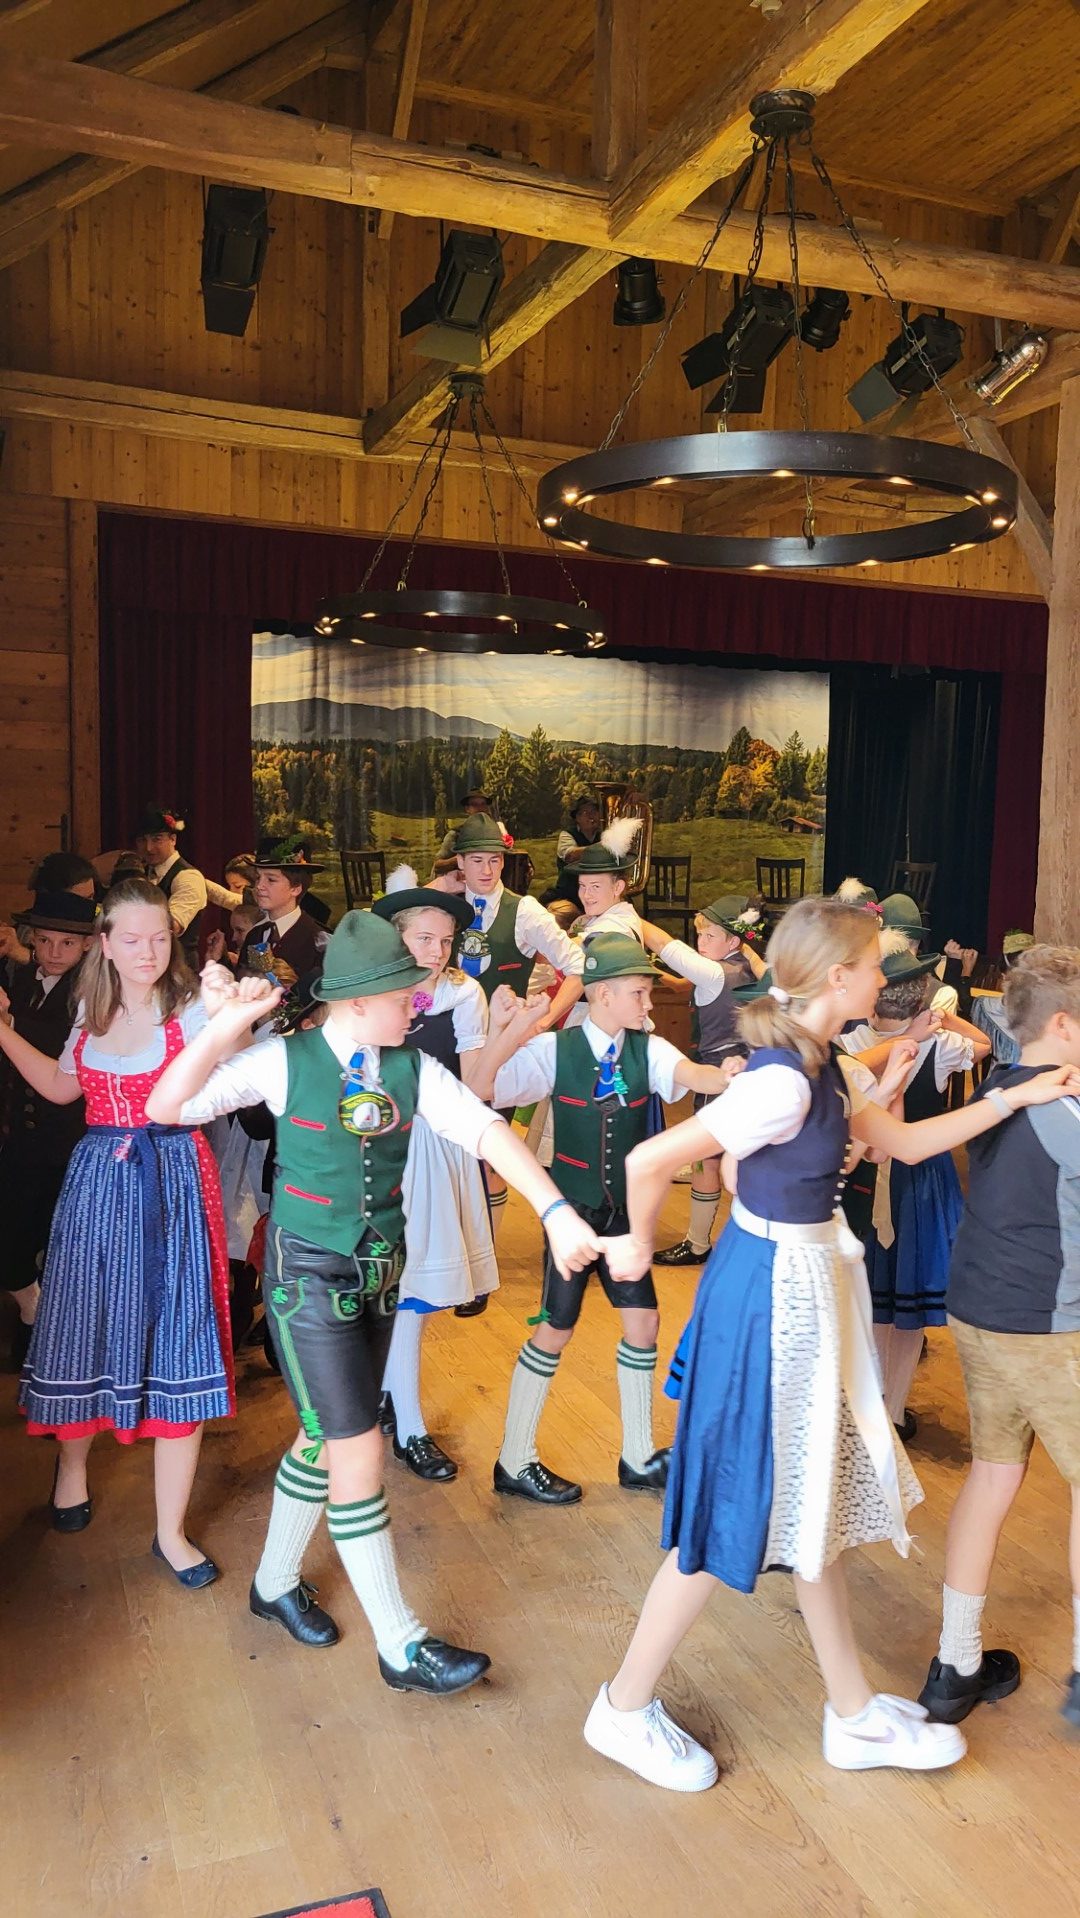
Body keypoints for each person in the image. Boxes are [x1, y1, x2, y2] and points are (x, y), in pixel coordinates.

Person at [579, 897, 1080, 1790]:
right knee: (731, 1508)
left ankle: (851, 1713)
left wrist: (1018, 1093)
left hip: (805, 1287)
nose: (885, 976)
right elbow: (649, 1161)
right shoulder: (782, 1081)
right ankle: (622, 1705)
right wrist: (634, 1248)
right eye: (875, 964)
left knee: (810, 1505)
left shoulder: (827, 1064)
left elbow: (910, 1143)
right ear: (840, 978)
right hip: (768, 1299)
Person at [145, 910, 605, 1697]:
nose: (416, 1004)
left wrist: (555, 1211)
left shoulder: (412, 1068)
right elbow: (167, 1106)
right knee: (357, 1447)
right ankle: (401, 1643)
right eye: (403, 995)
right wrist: (224, 1027)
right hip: (307, 1277)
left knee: (324, 1434)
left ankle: (274, 1583)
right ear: (357, 1002)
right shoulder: (282, 1061)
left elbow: (487, 1133)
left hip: (380, 1273)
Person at [0, 878, 235, 1581]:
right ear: (104, 944)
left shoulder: (195, 1007)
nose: (148, 951)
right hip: (98, 1181)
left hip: (174, 1181)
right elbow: (61, 1087)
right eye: (131, 939)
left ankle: (170, 1531)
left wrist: (236, 1012)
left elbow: (237, 1060)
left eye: (159, 938)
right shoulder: (90, 1008)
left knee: (179, 1334)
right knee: (81, 1321)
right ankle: (71, 1472)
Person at [472, 934, 740, 1506]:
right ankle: (513, 1458)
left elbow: (696, 1075)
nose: (648, 1003)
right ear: (602, 994)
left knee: (644, 1323)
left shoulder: (650, 1049)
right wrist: (511, 1032)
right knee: (555, 1327)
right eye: (639, 993)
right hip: (570, 1214)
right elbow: (484, 1087)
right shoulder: (555, 1051)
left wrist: (731, 1074)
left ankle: (638, 1457)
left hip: (624, 1218)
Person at [916, 946, 1080, 1730]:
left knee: (992, 1476)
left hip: (979, 1311)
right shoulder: (1063, 1109)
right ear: (1064, 1026)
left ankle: (956, 1666)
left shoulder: (996, 1087)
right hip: (1047, 1326)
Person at [371, 868, 494, 1482]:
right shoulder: (369, 991)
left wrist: (514, 1030)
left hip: (434, 1148)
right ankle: (393, 1410)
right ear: (397, 938)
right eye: (424, 938)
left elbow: (476, 1087)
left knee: (412, 1293)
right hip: (374, 1147)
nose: (437, 951)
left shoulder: (464, 995)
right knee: (386, 1290)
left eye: (445, 941)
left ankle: (404, 1419)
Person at [842, 946, 989, 1438]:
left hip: (862, 1172)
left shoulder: (853, 1041)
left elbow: (843, 1068)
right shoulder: (939, 1045)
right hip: (920, 1173)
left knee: (869, 1295)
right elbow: (983, 1045)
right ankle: (895, 1409)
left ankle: (863, 1404)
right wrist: (942, 1019)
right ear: (920, 999)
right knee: (906, 1303)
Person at [453, 811, 587, 1256]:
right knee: (449, 1152)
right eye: (477, 860)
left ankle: (484, 1256)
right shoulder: (443, 908)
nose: (488, 870)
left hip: (499, 1053)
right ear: (460, 863)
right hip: (445, 1049)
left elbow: (577, 967)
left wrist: (544, 1021)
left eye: (495, 860)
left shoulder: (524, 911)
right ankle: (453, 1251)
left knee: (490, 1153)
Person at [644, 896, 767, 1268]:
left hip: (719, 1075)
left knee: (706, 1162)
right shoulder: (748, 967)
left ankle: (698, 1244)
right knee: (740, 1159)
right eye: (699, 934)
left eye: (710, 935)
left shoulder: (714, 973)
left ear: (733, 940)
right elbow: (689, 985)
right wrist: (666, 980)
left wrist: (626, 913)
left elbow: (665, 945)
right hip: (751, 1071)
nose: (701, 941)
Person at [0, 891, 95, 1364]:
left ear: (87, 946)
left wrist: (8, 1022)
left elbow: (60, 1051)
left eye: (67, 943)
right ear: (31, 940)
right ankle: (31, 1311)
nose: (54, 952)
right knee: (13, 1239)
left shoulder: (91, 991)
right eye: (44, 940)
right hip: (21, 1137)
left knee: (60, 1246)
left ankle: (49, 1341)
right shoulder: (22, 979)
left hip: (68, 1141)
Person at [238, 835, 329, 991]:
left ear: (296, 888)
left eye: (271, 880)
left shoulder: (318, 942)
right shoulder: (255, 935)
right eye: (258, 878)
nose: (259, 886)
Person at [136, 803, 208, 969]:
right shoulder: (141, 873)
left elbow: (171, 926)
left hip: (179, 971)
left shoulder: (188, 877)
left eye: (157, 839)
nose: (149, 848)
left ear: (173, 839)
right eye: (142, 840)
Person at [567, 820, 645, 944]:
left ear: (617, 887)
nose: (586, 895)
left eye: (595, 886)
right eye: (582, 885)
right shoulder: (611, 914)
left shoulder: (615, 927)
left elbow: (567, 951)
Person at [543, 794, 603, 908]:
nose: (591, 816)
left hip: (597, 894)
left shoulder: (603, 835)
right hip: (569, 895)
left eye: (594, 811)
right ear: (577, 818)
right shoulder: (567, 835)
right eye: (586, 812)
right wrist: (603, 847)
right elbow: (571, 855)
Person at [437, 790, 511, 862]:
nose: (480, 808)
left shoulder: (496, 831)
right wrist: (462, 860)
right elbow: (438, 864)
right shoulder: (456, 834)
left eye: (483, 804)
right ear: (467, 809)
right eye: (475, 804)